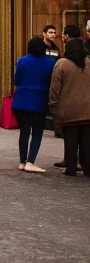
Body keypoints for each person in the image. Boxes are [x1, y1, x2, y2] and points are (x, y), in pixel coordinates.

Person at [12, 37, 57, 173]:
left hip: (22, 99)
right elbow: (52, 82)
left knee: (24, 131)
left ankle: (22, 161)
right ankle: (30, 161)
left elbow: (16, 80)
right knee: (37, 132)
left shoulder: (22, 60)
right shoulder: (50, 63)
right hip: (40, 99)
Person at [49, 38, 90, 177]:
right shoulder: (89, 62)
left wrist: (52, 104)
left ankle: (71, 168)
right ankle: (87, 168)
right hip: (87, 109)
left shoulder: (62, 63)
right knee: (86, 141)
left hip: (68, 109)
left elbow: (55, 87)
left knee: (70, 140)